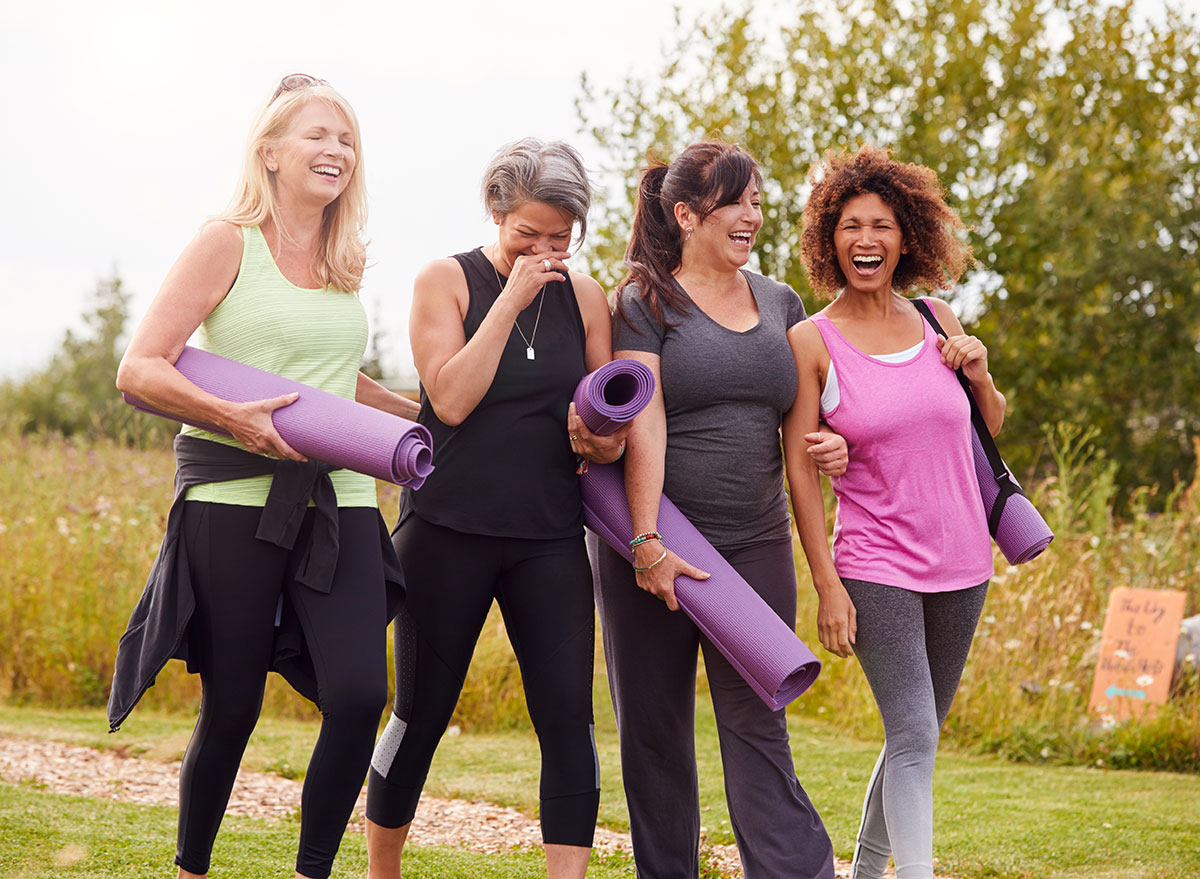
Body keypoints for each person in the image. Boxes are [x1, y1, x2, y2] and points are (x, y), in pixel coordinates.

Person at [111, 74, 417, 879]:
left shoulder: (343, 259)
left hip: (341, 497)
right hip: (232, 498)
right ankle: (192, 868)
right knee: (234, 706)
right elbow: (141, 368)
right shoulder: (227, 241)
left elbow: (333, 379)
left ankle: (311, 870)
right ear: (271, 151)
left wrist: (424, 413)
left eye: (347, 139)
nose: (336, 151)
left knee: (358, 695)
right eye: (318, 135)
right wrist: (234, 417)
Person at [363, 138, 626, 879]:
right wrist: (510, 297)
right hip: (446, 529)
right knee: (417, 719)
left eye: (560, 238)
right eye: (527, 235)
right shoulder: (444, 281)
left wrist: (601, 439)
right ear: (496, 212)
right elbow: (448, 397)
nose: (545, 251)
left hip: (547, 537)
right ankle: (382, 873)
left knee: (568, 725)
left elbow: (604, 419)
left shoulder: (586, 297)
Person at [594, 141, 847, 879]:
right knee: (655, 732)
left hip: (755, 542)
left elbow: (803, 437)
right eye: (736, 201)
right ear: (685, 213)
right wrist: (644, 539)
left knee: (757, 722)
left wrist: (835, 447)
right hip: (659, 541)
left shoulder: (782, 303)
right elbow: (644, 418)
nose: (752, 216)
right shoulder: (643, 299)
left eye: (759, 201)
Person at [784, 144, 1005, 879]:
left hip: (965, 560)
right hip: (875, 563)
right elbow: (799, 471)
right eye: (850, 225)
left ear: (906, 236)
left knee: (919, 733)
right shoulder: (811, 342)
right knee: (911, 728)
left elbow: (990, 426)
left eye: (880, 225)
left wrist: (977, 371)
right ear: (829, 239)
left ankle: (867, 867)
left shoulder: (938, 318)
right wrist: (827, 584)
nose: (866, 239)